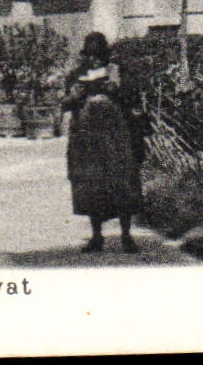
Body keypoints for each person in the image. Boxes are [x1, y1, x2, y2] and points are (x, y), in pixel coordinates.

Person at [61, 31, 144, 253]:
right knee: (91, 185)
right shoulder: (77, 75)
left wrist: (116, 90)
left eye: (98, 55)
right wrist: (74, 96)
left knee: (122, 182)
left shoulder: (118, 72)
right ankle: (96, 236)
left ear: (105, 55)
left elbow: (133, 98)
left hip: (116, 138)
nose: (93, 60)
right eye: (89, 55)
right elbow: (65, 103)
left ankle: (126, 235)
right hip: (87, 139)